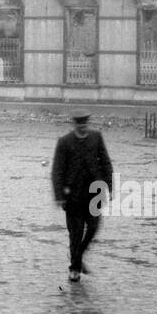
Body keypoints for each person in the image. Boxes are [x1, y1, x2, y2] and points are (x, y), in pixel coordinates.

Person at [51, 110, 113, 283]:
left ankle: (77, 256)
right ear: (75, 125)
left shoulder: (96, 137)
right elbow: (57, 170)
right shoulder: (64, 142)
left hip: (95, 194)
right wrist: (59, 195)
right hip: (73, 198)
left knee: (93, 228)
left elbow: (106, 163)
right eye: (81, 125)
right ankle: (75, 269)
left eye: (86, 125)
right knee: (75, 234)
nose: (84, 128)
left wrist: (110, 186)